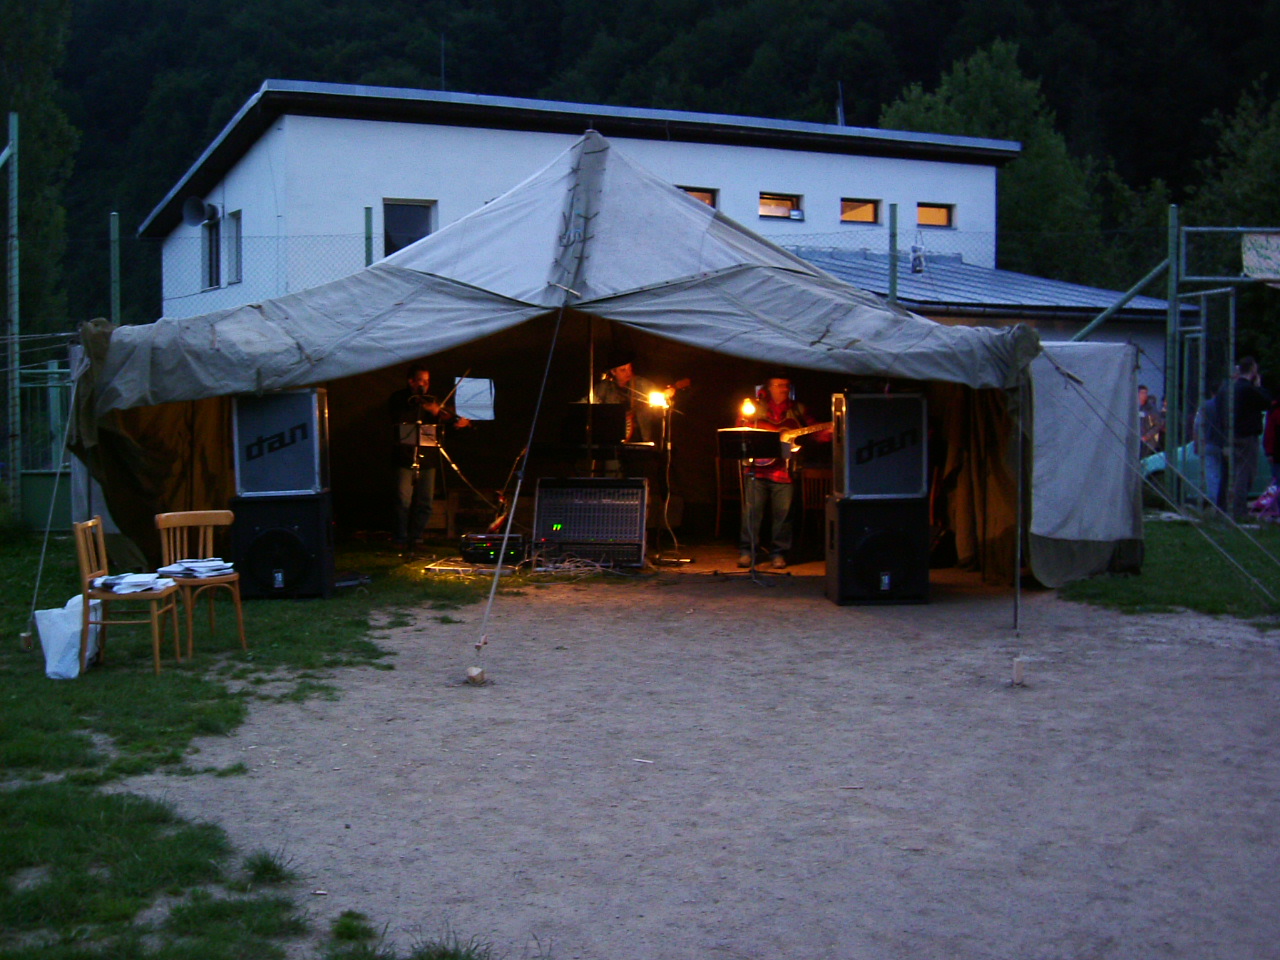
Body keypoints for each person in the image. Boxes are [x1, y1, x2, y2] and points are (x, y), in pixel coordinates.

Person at [736, 376, 830, 570]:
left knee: (783, 515)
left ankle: (778, 553)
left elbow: (812, 432)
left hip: (784, 471)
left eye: (786, 385)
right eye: (779, 385)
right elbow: (741, 429)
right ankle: (747, 552)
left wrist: (826, 432)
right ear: (769, 388)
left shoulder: (798, 410)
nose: (784, 389)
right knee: (752, 513)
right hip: (757, 469)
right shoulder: (756, 407)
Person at [390, 361, 469, 550]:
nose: (424, 385)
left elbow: (445, 426)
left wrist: (456, 422)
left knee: (425, 501)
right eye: (421, 381)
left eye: (427, 381)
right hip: (405, 456)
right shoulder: (399, 398)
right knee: (403, 500)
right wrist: (421, 407)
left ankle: (417, 537)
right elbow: (397, 418)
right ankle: (400, 538)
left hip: (428, 458)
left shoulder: (433, 401)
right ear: (411, 381)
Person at [1219, 357, 1271, 520]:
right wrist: (1258, 386)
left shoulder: (1232, 388)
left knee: (1235, 472)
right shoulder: (1248, 389)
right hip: (1247, 435)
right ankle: (1239, 509)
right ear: (1253, 370)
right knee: (1245, 473)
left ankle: (1228, 506)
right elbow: (1267, 402)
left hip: (1232, 433)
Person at [1193, 387, 1224, 509]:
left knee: (1212, 474)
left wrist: (1197, 444)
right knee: (1225, 473)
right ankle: (1225, 501)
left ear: (1211, 392)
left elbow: (1197, 426)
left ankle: (1215, 502)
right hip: (1224, 443)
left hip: (1208, 442)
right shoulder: (1226, 404)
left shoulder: (1205, 406)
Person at [1138, 384, 1163, 458]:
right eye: (1142, 393)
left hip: (1146, 441)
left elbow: (1158, 424)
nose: (1144, 395)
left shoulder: (1151, 409)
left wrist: (1147, 436)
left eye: (1145, 393)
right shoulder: (1133, 406)